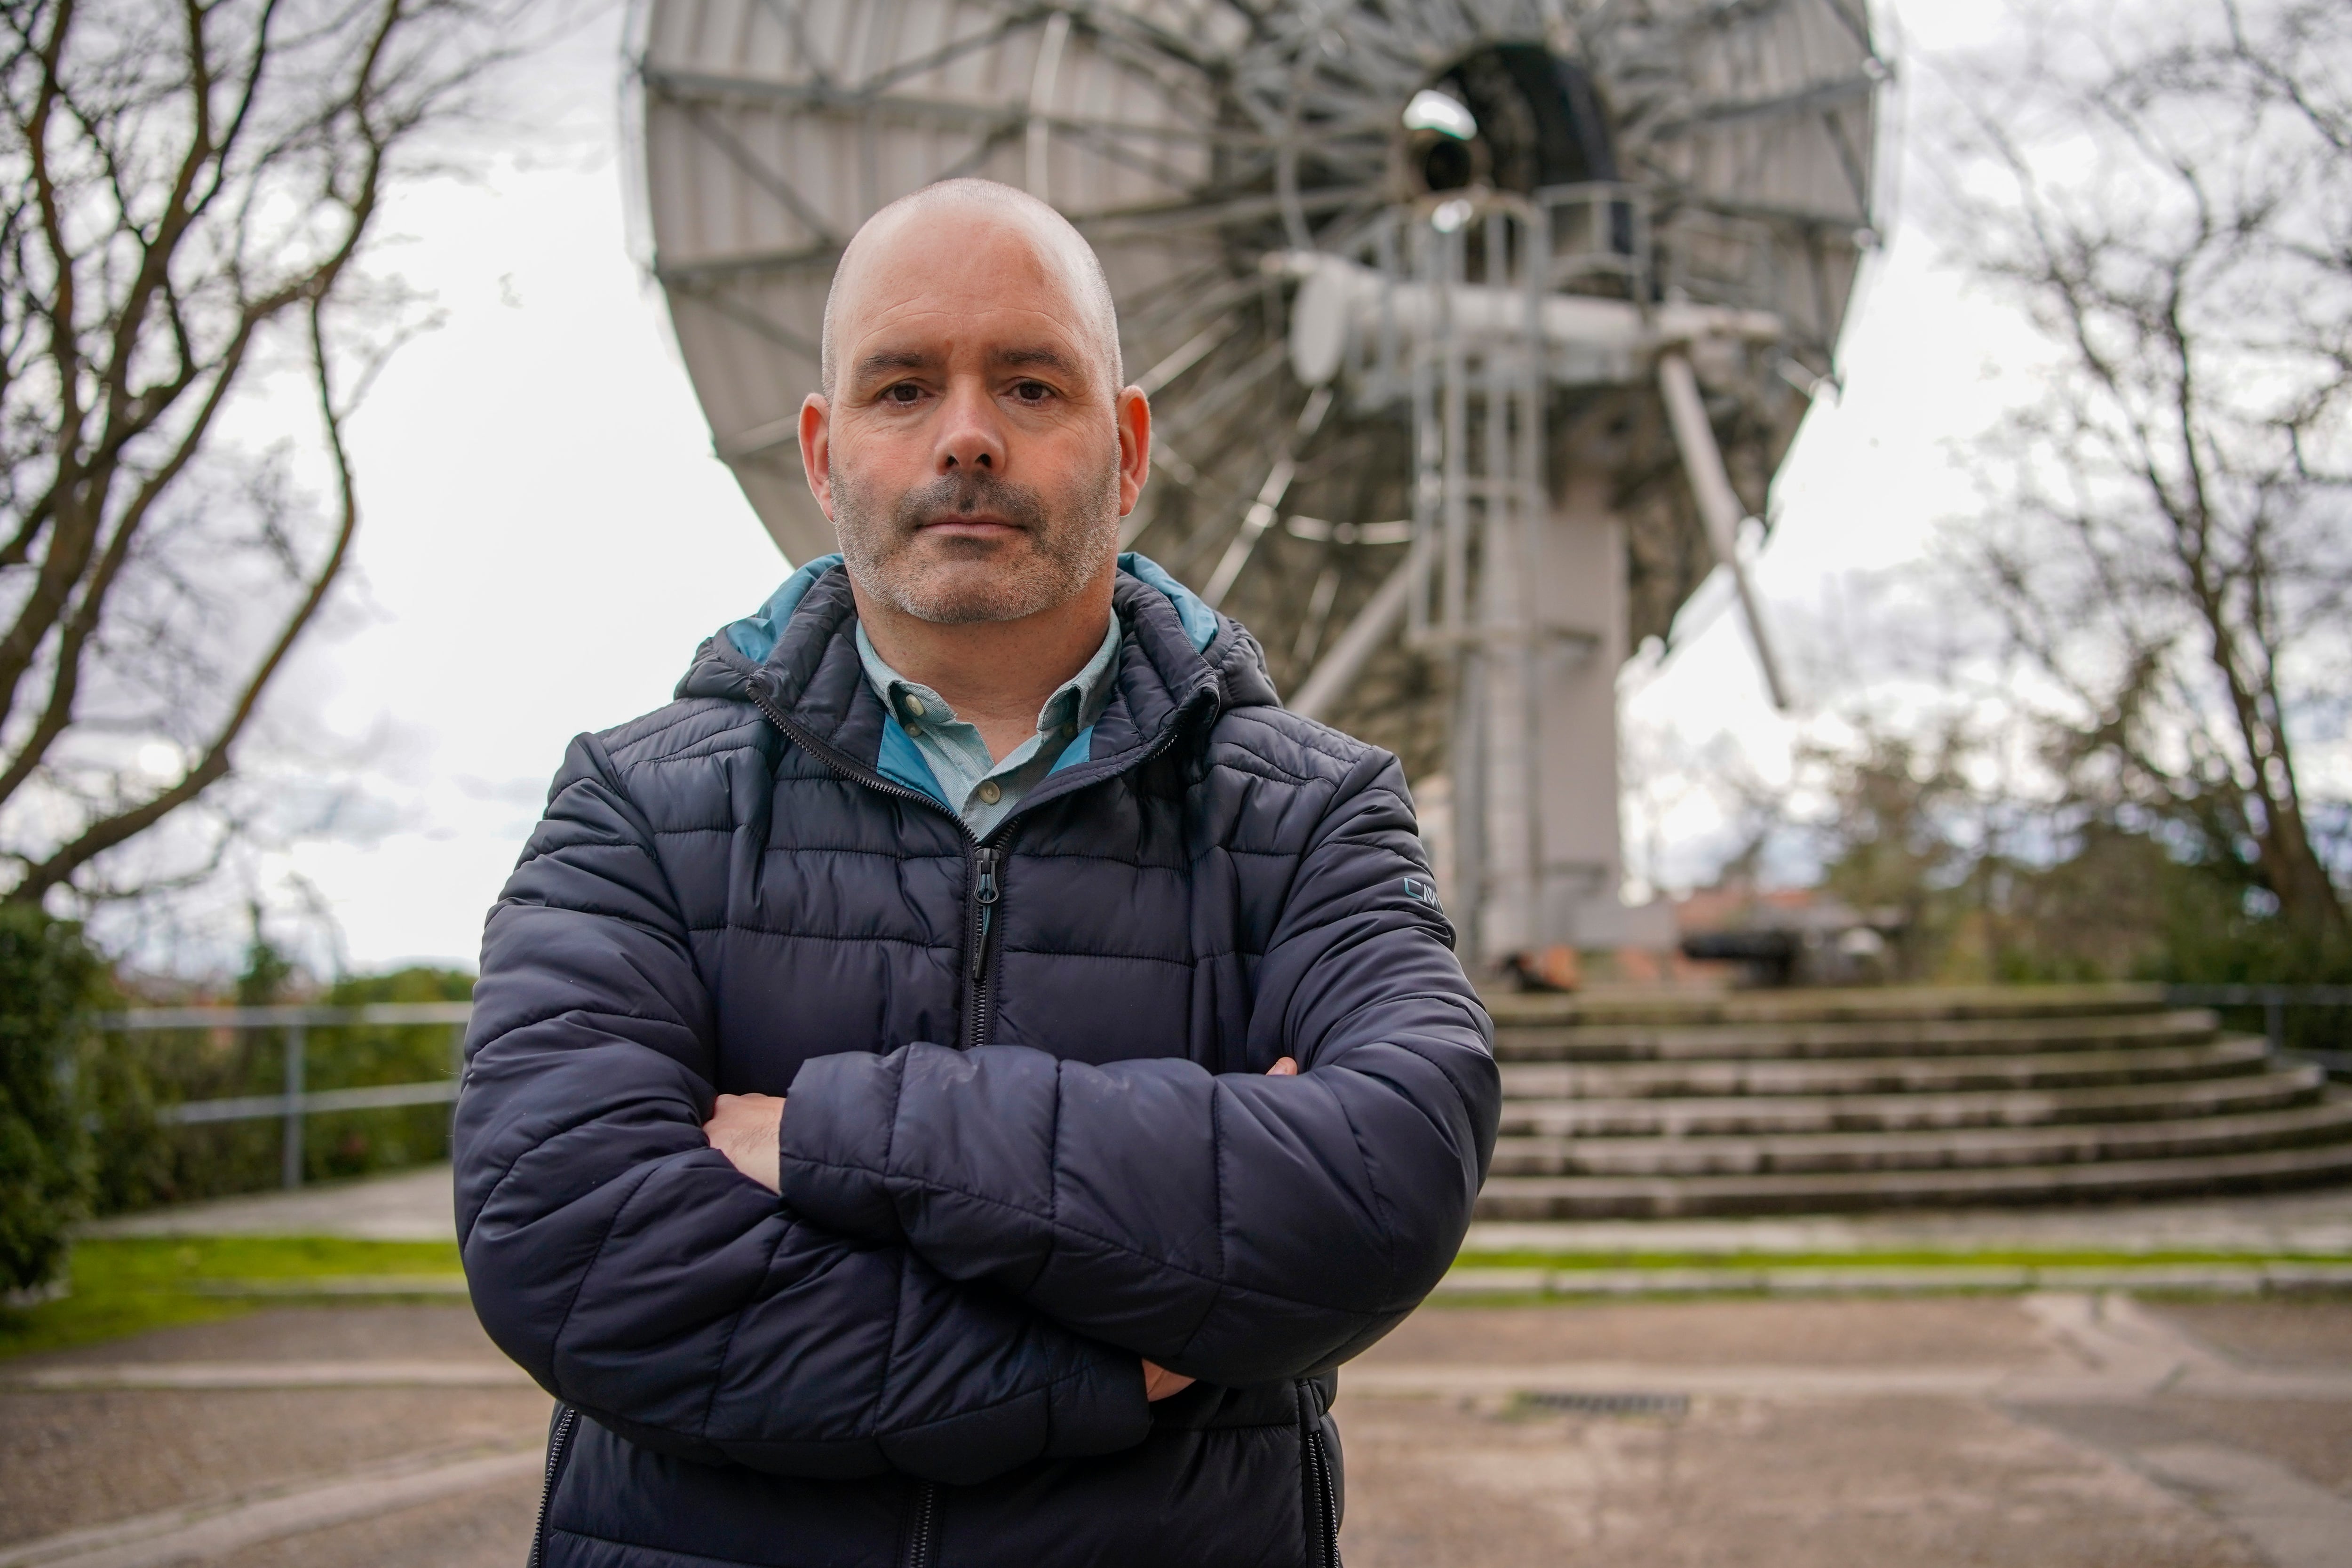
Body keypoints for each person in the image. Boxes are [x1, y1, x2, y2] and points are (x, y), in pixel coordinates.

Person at [455, 177, 1499, 1568]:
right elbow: (573, 1253)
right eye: (901, 389)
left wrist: (838, 1136)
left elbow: (1383, 1184)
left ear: (1126, 452)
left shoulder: (1313, 819)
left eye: (1028, 384)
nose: (965, 437)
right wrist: (1100, 1370)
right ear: (824, 457)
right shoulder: (636, 806)